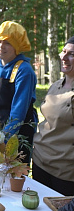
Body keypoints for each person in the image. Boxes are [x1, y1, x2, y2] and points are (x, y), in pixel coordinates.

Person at [0, 21, 37, 164]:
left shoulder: (24, 71)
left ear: (17, 46)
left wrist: (3, 141)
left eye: (7, 43)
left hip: (20, 132)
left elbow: (18, 112)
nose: (0, 46)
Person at [31, 36, 74, 196]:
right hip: (40, 162)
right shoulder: (56, 86)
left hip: (64, 172)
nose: (64, 57)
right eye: (64, 51)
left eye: (71, 54)